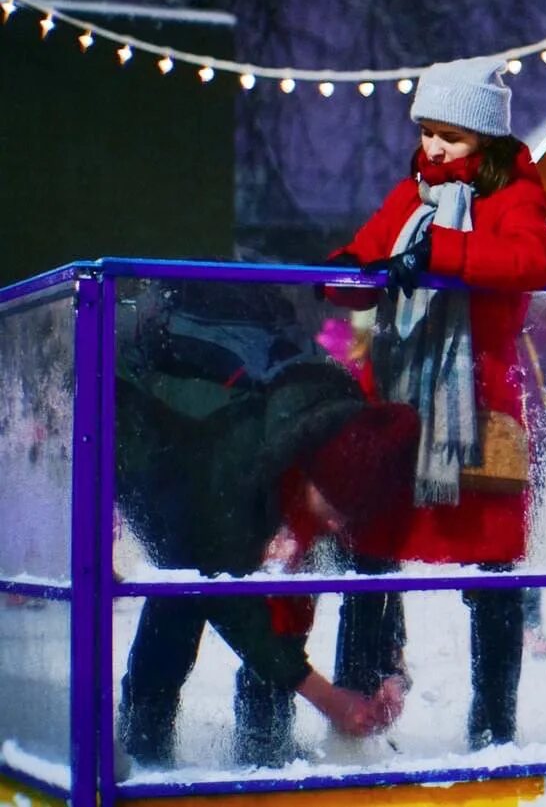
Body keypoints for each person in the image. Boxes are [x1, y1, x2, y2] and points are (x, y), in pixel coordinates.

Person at [324, 55, 546, 749]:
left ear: (484, 139)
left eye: (451, 136)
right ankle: (355, 713)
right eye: (428, 131)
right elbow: (367, 256)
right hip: (397, 409)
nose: (434, 147)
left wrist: (441, 254)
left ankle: (493, 728)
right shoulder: (412, 195)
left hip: (475, 411)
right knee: (369, 559)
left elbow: (532, 259)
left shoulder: (513, 192)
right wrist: (339, 273)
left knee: (491, 577)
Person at [115, 281, 419, 770]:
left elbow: (373, 557)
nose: (342, 523)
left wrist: (388, 666)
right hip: (149, 442)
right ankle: (143, 749)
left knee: (285, 590)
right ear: (311, 476)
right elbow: (218, 583)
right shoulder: (242, 459)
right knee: (182, 595)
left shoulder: (342, 437)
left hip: (221, 475)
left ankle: (264, 746)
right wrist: (327, 697)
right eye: (338, 508)